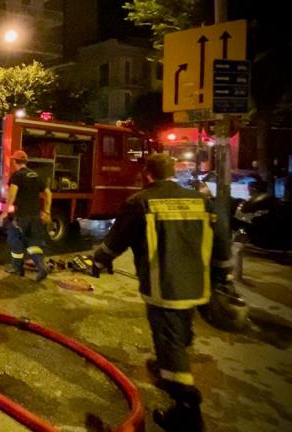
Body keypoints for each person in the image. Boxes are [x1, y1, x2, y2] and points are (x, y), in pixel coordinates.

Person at [93, 153, 230, 432]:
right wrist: (222, 276)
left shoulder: (140, 202)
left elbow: (115, 242)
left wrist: (99, 260)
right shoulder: (201, 200)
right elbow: (221, 240)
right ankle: (170, 369)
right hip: (196, 285)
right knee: (181, 333)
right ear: (174, 172)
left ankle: (187, 410)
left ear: (147, 174)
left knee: (170, 344)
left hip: (164, 287)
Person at [0, 150, 51, 281]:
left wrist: (5, 212)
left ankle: (17, 268)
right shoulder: (36, 175)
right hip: (35, 216)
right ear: (25, 161)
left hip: (21, 216)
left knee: (14, 240)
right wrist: (47, 211)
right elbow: (48, 193)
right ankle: (41, 267)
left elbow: (12, 194)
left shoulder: (17, 176)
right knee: (33, 243)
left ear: (15, 162)